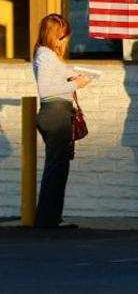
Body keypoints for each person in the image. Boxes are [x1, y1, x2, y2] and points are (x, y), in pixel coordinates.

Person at [32, 13, 91, 228]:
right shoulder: (45, 55)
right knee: (56, 167)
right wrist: (76, 84)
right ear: (52, 35)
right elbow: (46, 90)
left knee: (58, 166)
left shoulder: (48, 55)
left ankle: (51, 217)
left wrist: (74, 76)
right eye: (62, 37)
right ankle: (47, 219)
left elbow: (58, 78)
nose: (65, 41)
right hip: (55, 113)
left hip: (58, 112)